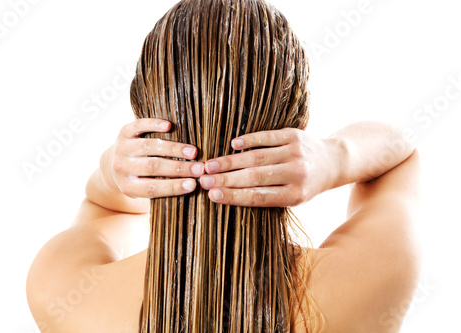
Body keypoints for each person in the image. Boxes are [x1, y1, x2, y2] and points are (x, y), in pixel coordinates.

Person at [26, 0, 421, 332]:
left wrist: (114, 171)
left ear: (145, 120)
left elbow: (105, 209)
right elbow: (401, 153)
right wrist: (335, 158)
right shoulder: (370, 280)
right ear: (296, 128)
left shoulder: (61, 292)